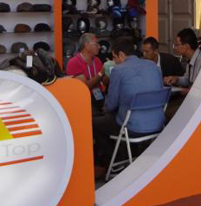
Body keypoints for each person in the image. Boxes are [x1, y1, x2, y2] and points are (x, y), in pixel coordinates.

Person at [92, 38, 165, 178]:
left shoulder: (118, 70)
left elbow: (111, 105)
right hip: (158, 123)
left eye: (114, 57)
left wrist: (106, 109)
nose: (114, 61)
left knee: (94, 123)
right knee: (117, 118)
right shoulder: (153, 67)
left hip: (132, 127)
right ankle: (127, 157)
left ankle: (115, 162)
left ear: (121, 55)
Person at [66, 33, 109, 104]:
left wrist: (111, 72)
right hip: (83, 102)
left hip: (99, 100)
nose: (99, 47)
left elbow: (105, 81)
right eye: (96, 44)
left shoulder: (97, 60)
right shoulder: (74, 62)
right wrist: (101, 73)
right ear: (87, 45)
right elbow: (84, 87)